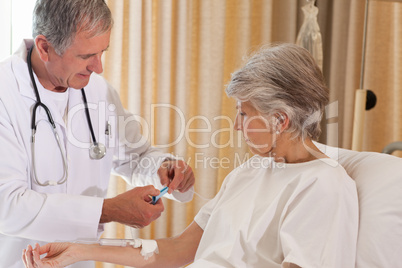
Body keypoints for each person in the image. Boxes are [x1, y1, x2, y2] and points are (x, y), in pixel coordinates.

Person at [22, 43, 359, 268]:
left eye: (244, 114)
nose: (238, 126)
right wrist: (79, 251)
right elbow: (179, 249)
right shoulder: (249, 173)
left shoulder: (323, 186)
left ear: (280, 119)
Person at [0, 0, 196, 267]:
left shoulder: (98, 91)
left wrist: (164, 169)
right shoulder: (4, 94)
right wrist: (108, 210)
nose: (98, 67)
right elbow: (7, 205)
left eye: (102, 51)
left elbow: (135, 157)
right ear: (45, 47)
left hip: (81, 261)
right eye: (85, 56)